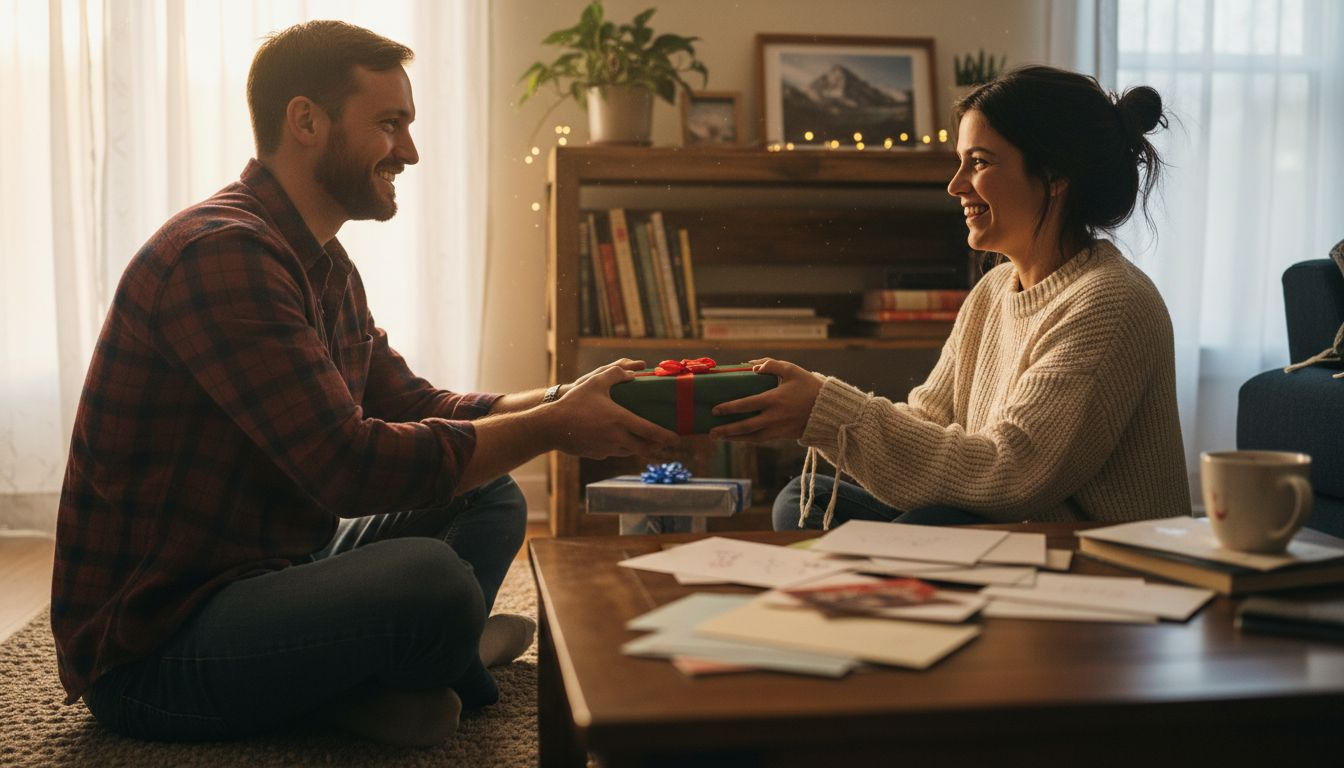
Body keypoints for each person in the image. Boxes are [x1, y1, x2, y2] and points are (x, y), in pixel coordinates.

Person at [51, 20, 678, 747]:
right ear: (306, 121)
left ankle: (384, 681)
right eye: (390, 124)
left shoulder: (321, 263)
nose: (409, 151)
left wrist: (566, 399)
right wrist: (553, 428)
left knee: (492, 490)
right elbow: (349, 469)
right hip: (156, 648)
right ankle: (445, 660)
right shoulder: (221, 256)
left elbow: (416, 407)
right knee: (431, 580)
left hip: (276, 572)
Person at [708, 65, 1189, 532]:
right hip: (1003, 526)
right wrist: (819, 407)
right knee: (806, 498)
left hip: (1093, 558)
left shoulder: (1110, 301)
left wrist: (827, 409)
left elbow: (1012, 475)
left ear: (1055, 175)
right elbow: (928, 421)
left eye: (978, 162)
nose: (955, 185)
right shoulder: (994, 290)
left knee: (931, 525)